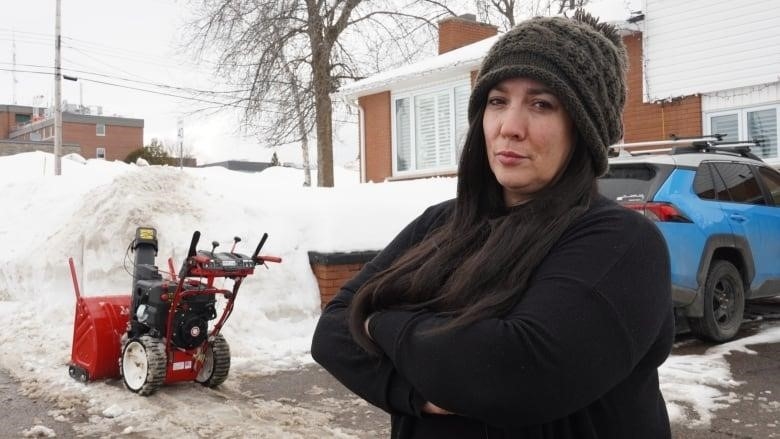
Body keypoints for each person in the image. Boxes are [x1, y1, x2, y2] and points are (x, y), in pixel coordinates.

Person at [311, 9, 674, 439]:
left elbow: (510, 376)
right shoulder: (440, 224)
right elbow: (332, 331)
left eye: (542, 104)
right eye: (497, 101)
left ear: (585, 128)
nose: (509, 127)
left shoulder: (620, 242)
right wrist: (413, 392)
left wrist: (378, 322)